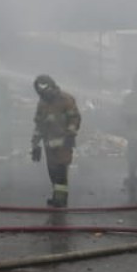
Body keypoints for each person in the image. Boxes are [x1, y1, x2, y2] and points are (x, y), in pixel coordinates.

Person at [31, 74, 81, 208]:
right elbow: (39, 124)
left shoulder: (65, 99)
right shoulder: (42, 103)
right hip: (49, 144)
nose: (43, 94)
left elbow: (74, 118)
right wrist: (35, 144)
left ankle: (61, 200)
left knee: (60, 173)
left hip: (63, 143)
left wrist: (70, 134)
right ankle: (57, 197)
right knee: (52, 172)